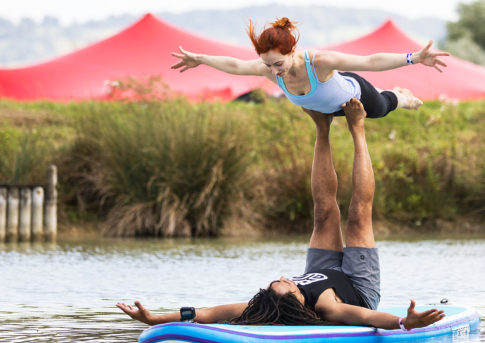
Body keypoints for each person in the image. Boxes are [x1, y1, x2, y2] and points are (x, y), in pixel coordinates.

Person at [116, 99, 445, 330]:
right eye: (288, 285)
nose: (286, 279)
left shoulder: (265, 302)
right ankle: (358, 129)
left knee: (322, 211)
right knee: (359, 213)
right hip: (357, 285)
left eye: (279, 282)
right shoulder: (329, 307)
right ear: (300, 303)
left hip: (322, 268)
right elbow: (370, 319)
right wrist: (404, 322)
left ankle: (322, 127)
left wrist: (155, 318)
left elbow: (205, 313)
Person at [171, 18, 450, 118]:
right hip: (329, 110)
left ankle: (402, 96)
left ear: (292, 52)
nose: (274, 71)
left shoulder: (318, 61)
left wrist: (413, 57)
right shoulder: (267, 68)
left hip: (354, 94)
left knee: (382, 108)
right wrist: (200, 58)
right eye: (268, 65)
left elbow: (369, 62)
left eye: (278, 64)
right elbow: (234, 65)